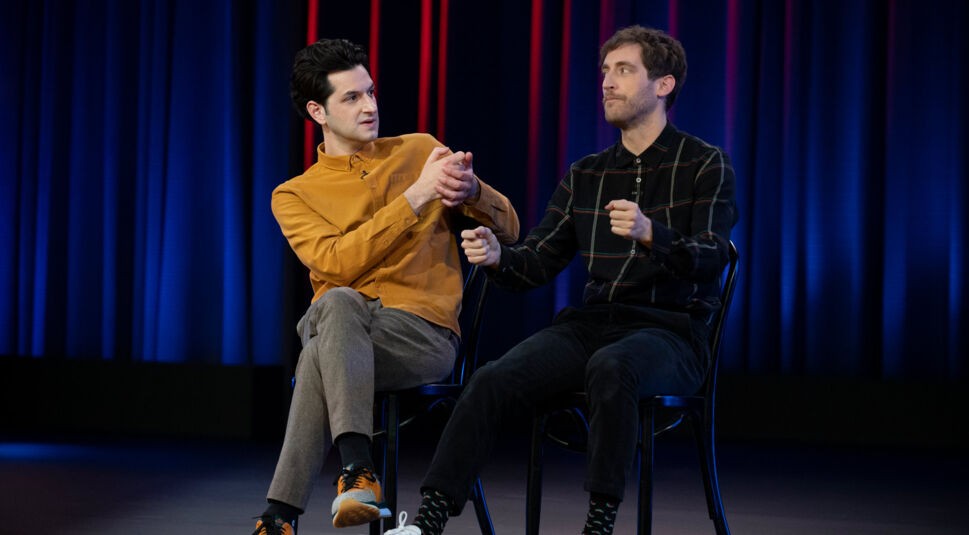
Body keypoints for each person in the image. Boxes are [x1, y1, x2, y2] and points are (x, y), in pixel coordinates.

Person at [386, 25, 737, 535]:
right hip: (592, 325)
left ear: (663, 85)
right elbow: (539, 261)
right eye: (604, 72)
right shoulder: (588, 173)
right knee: (491, 378)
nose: (607, 83)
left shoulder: (705, 163)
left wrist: (650, 234)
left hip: (671, 332)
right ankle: (429, 520)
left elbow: (711, 256)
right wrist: (498, 257)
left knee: (613, 366)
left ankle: (598, 525)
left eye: (624, 70)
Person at [252, 38, 520, 535]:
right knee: (336, 306)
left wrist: (475, 190)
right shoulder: (294, 194)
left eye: (370, 92)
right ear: (318, 112)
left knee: (321, 337)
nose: (370, 106)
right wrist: (415, 199)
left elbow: (512, 231)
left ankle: (294, 508)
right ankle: (339, 485)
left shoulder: (419, 150)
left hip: (422, 337)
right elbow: (336, 261)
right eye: (351, 98)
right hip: (346, 336)